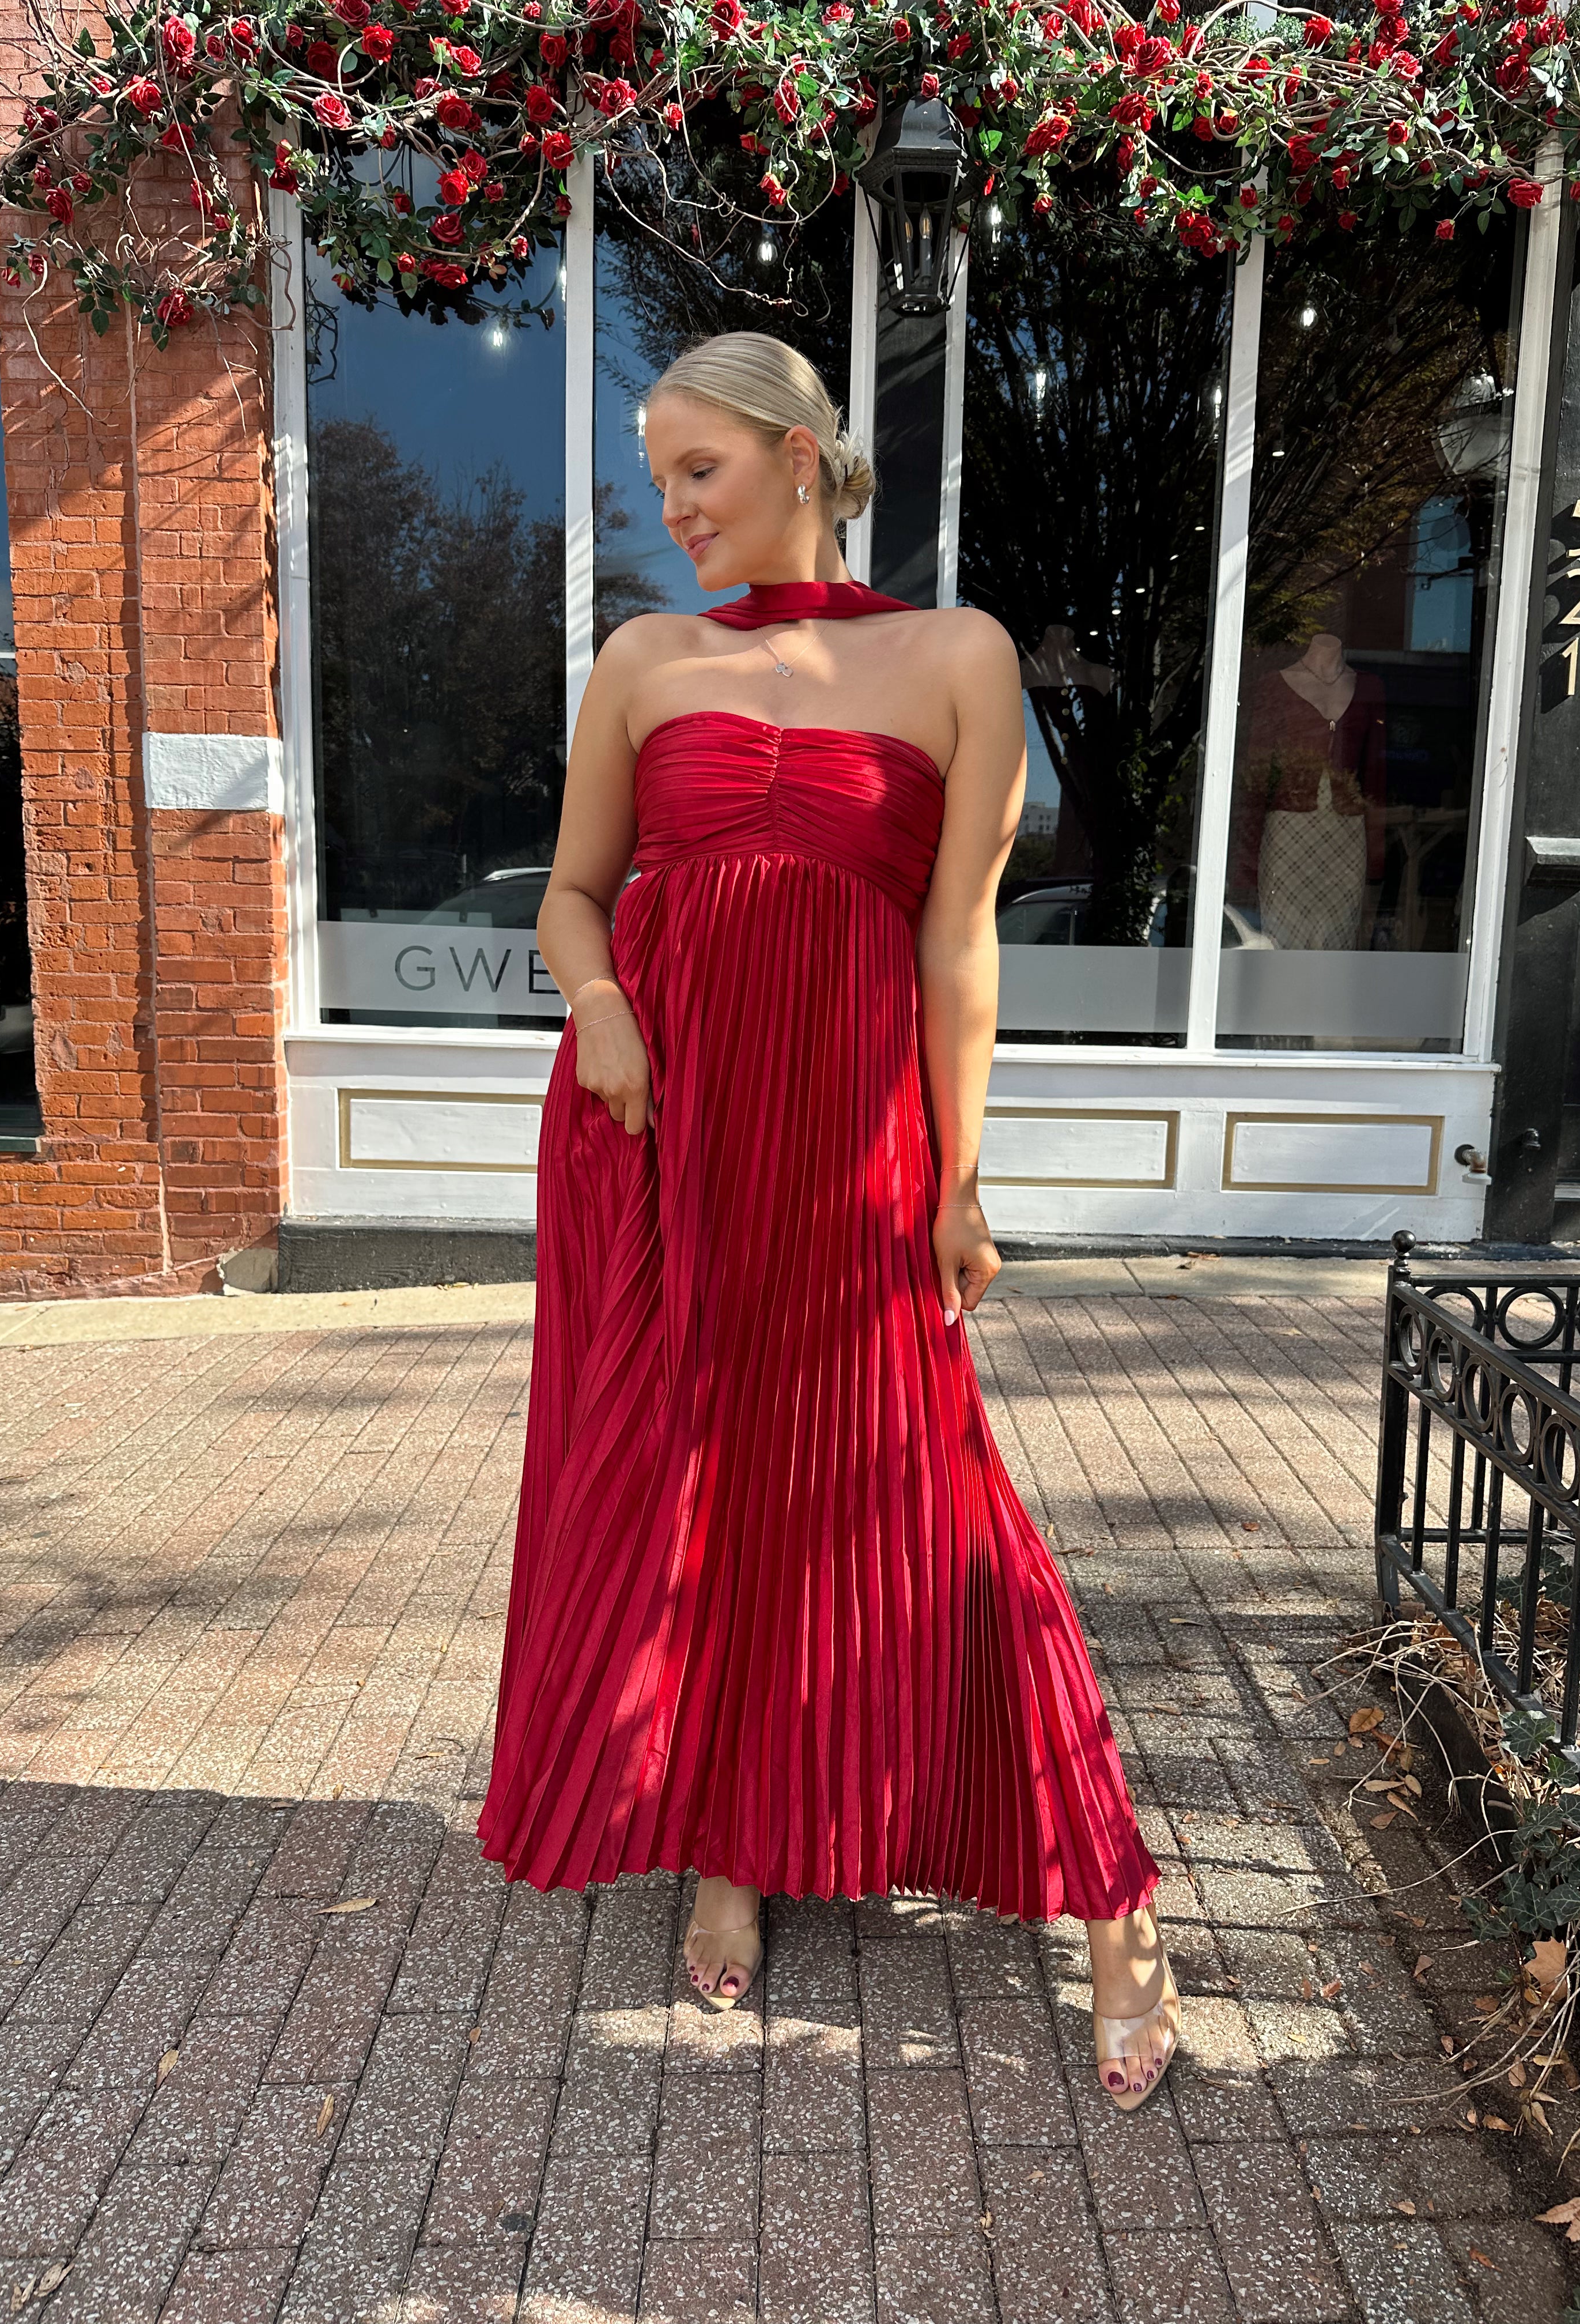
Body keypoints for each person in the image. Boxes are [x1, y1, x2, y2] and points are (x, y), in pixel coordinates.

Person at [477, 331, 1180, 2108]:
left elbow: (960, 942)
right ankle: (729, 1843)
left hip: (850, 1148)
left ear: (801, 452)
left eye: (697, 469)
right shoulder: (644, 661)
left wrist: (959, 1176)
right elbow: (572, 894)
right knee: (695, 1485)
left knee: (933, 1501)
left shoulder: (958, 655)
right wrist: (599, 1001)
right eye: (657, 479)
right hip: (660, 1140)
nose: (672, 508)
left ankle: (1112, 1892)